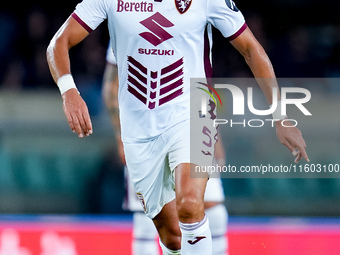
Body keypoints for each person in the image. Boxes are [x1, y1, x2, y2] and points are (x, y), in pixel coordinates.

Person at [46, 0, 309, 253]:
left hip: (194, 114)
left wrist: (280, 116)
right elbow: (58, 43)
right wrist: (69, 91)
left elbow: (251, 48)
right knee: (172, 236)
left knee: (191, 204)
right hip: (140, 128)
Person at [102, 45, 229, 255]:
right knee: (148, 217)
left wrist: (215, 136)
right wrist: (121, 137)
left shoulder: (197, 16)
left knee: (213, 209)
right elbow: (111, 86)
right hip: (145, 131)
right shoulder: (127, 18)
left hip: (192, 128)